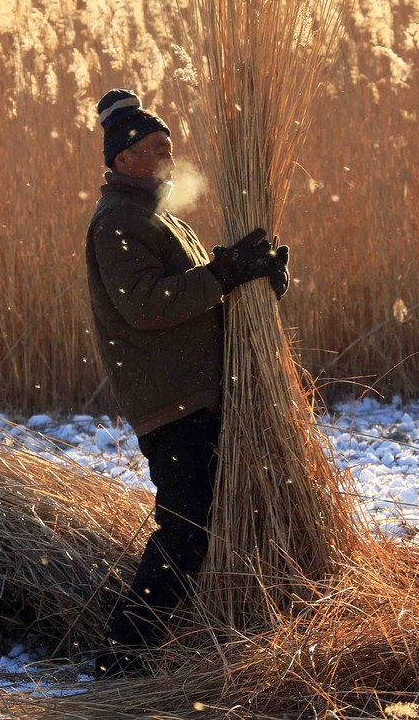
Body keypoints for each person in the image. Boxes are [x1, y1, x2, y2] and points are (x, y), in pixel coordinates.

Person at [84, 88, 289, 678]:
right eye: (155, 149)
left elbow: (198, 293)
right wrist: (223, 275)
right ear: (124, 160)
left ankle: (159, 646)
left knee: (200, 521)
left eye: (169, 147)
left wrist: (251, 282)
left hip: (195, 391)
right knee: (186, 527)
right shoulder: (118, 221)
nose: (168, 159)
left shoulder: (154, 216)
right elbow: (148, 306)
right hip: (171, 401)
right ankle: (122, 659)